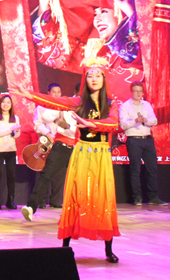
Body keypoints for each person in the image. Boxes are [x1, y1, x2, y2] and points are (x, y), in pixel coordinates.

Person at [12, 57, 121, 263]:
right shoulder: (79, 102)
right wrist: (29, 95)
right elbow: (55, 102)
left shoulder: (111, 104)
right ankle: (65, 247)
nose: (94, 79)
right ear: (85, 79)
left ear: (104, 79)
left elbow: (113, 123)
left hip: (101, 155)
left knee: (103, 197)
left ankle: (108, 249)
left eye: (98, 75)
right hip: (82, 152)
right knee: (75, 196)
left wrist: (90, 123)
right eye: (90, 75)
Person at [20, 83, 78, 221]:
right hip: (52, 143)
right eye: (54, 92)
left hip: (75, 146)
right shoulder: (44, 107)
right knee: (45, 173)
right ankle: (33, 206)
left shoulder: (71, 107)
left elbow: (76, 129)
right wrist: (48, 133)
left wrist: (66, 126)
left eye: (59, 92)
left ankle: (61, 202)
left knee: (68, 176)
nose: (57, 94)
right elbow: (38, 124)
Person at [119, 81, 166, 206]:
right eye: (136, 91)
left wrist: (145, 121)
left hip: (147, 139)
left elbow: (154, 121)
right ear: (131, 92)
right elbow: (123, 125)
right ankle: (137, 198)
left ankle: (153, 197)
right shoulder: (125, 106)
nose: (139, 94)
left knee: (152, 169)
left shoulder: (147, 105)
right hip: (134, 140)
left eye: (140, 91)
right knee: (135, 169)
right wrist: (135, 121)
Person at [0, 93, 21, 210]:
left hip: (11, 149)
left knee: (11, 175)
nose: (6, 104)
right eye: (4, 102)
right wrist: (11, 129)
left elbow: (17, 135)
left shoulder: (15, 118)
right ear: (0, 104)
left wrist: (15, 131)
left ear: (11, 105)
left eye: (8, 102)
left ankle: (11, 201)